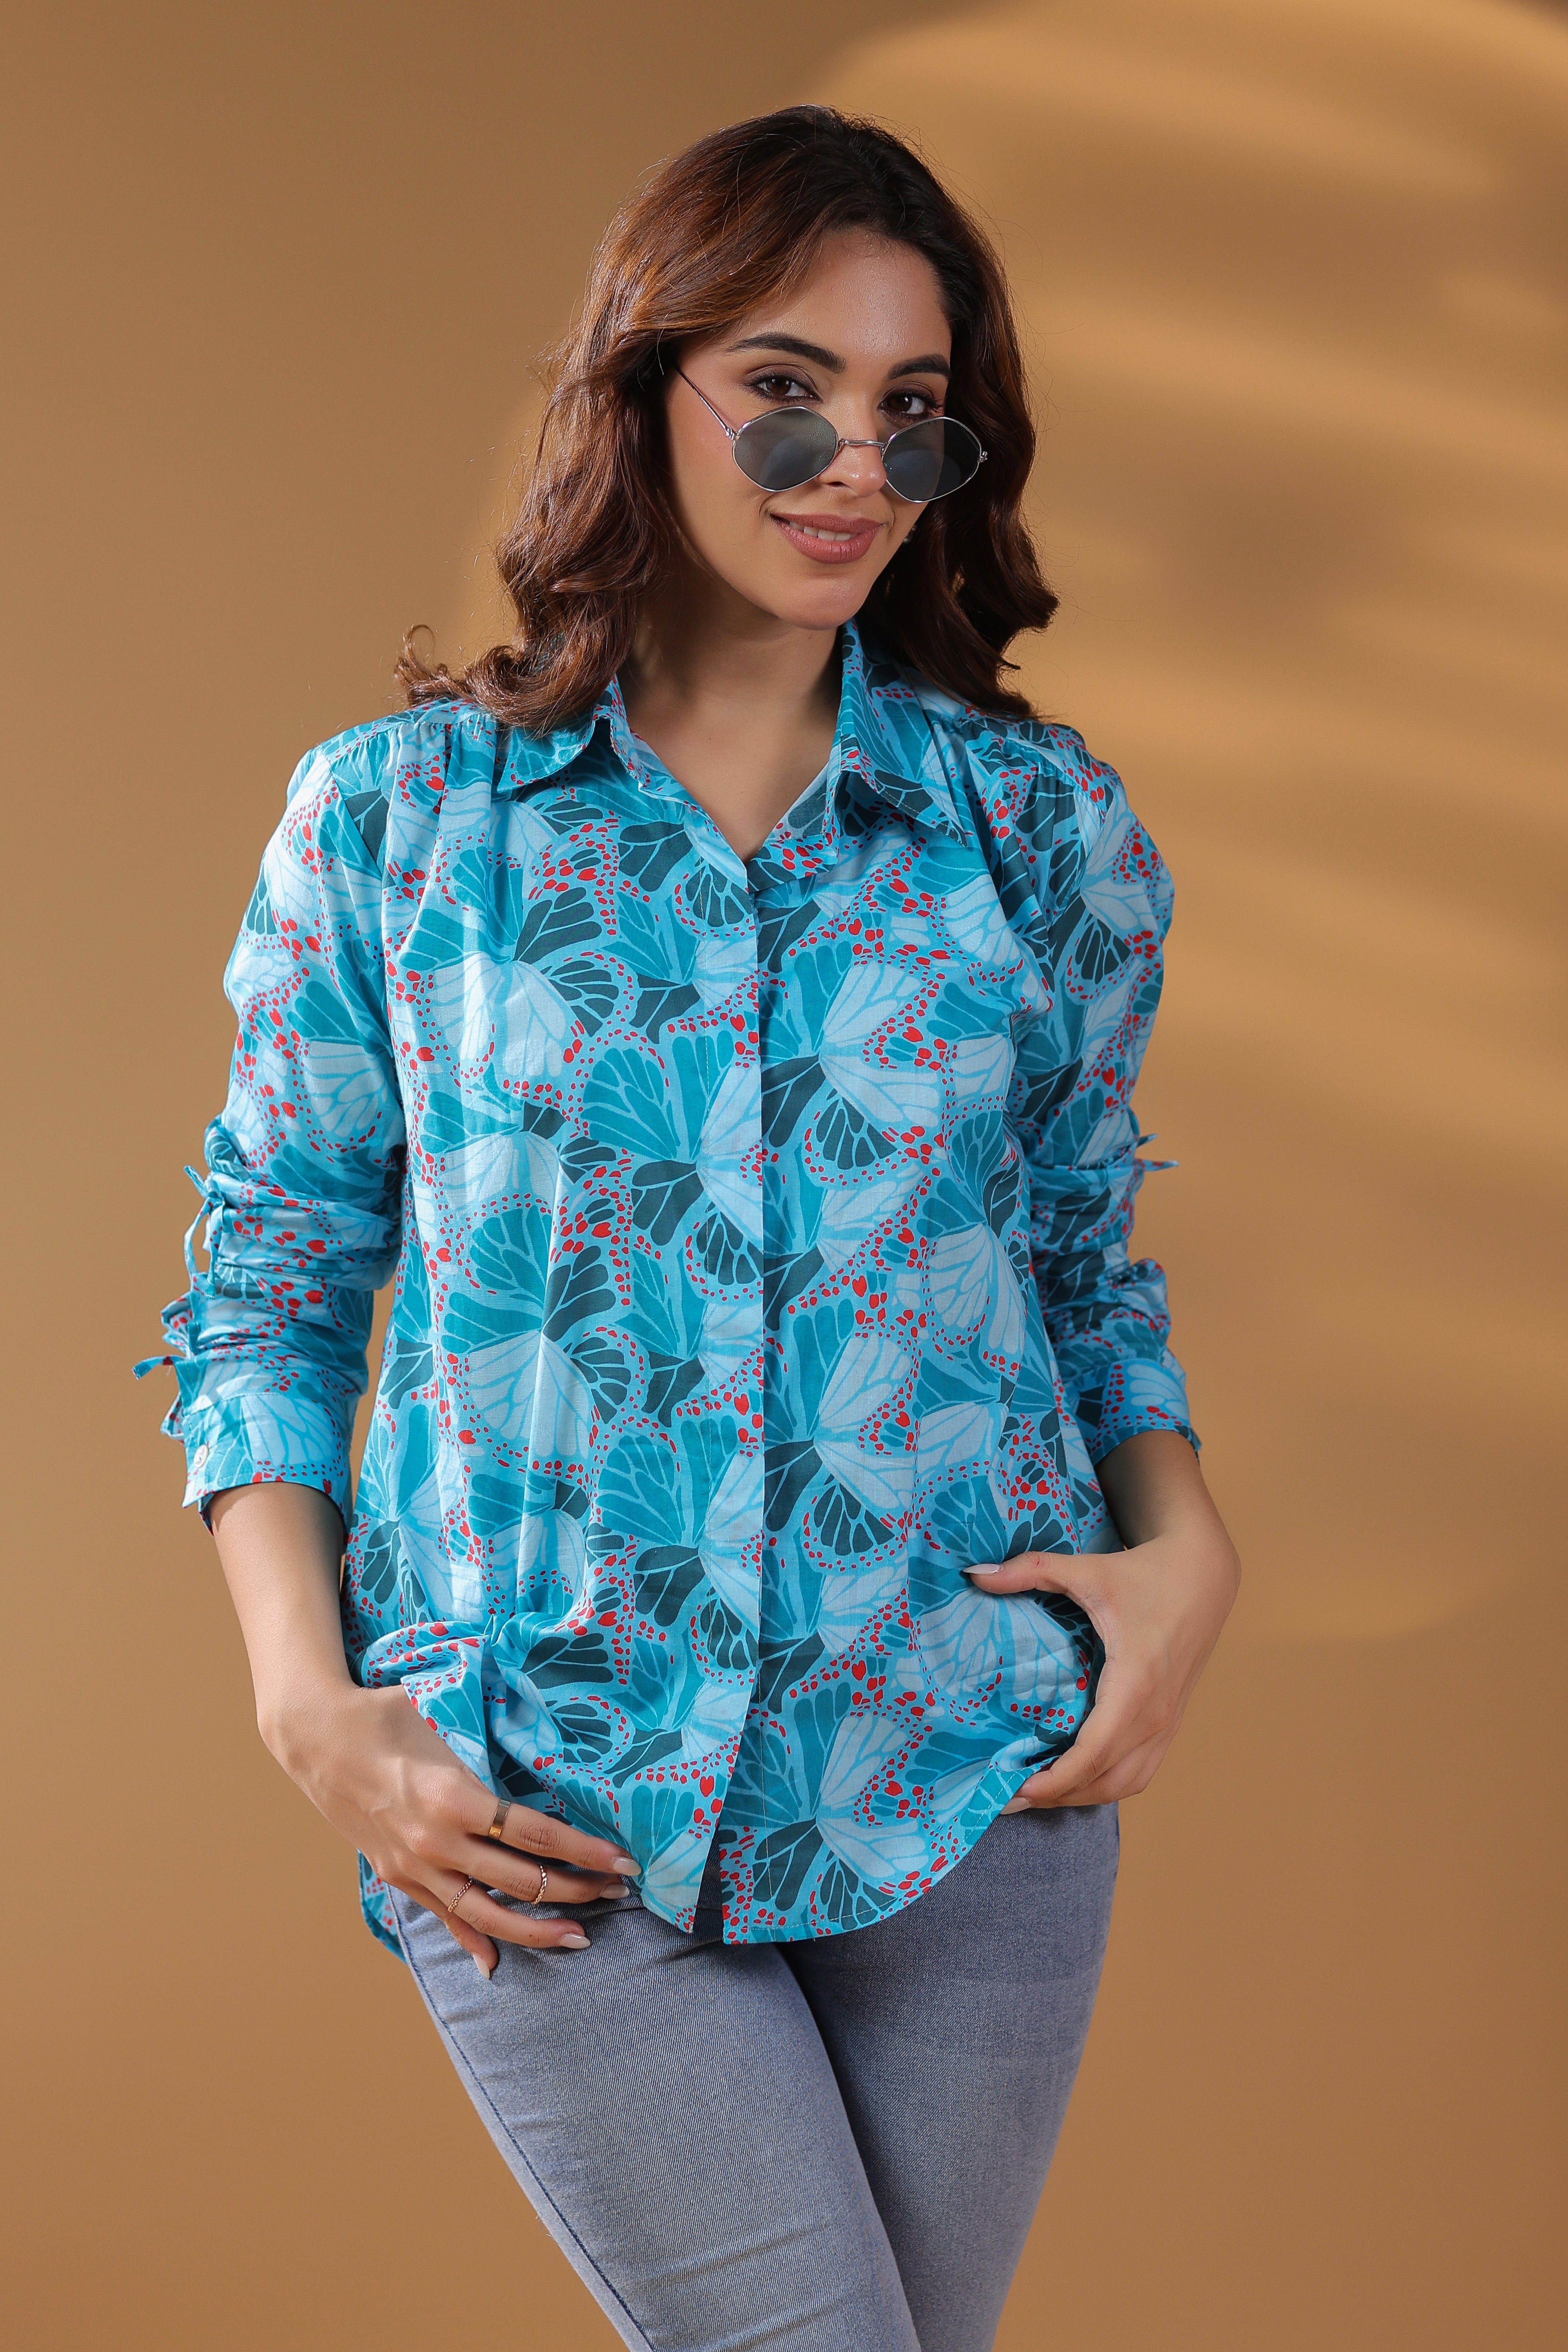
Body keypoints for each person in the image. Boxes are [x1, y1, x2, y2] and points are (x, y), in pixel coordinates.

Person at [145, 105, 1238, 2352]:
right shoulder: (402, 828)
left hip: (964, 1765)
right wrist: (304, 1696)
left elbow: (1073, 1245)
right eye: (786, 390)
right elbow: (273, 1273)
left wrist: (1188, 1551)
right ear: (642, 387)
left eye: (913, 412)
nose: (854, 467)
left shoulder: (1037, 834)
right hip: (538, 1785)